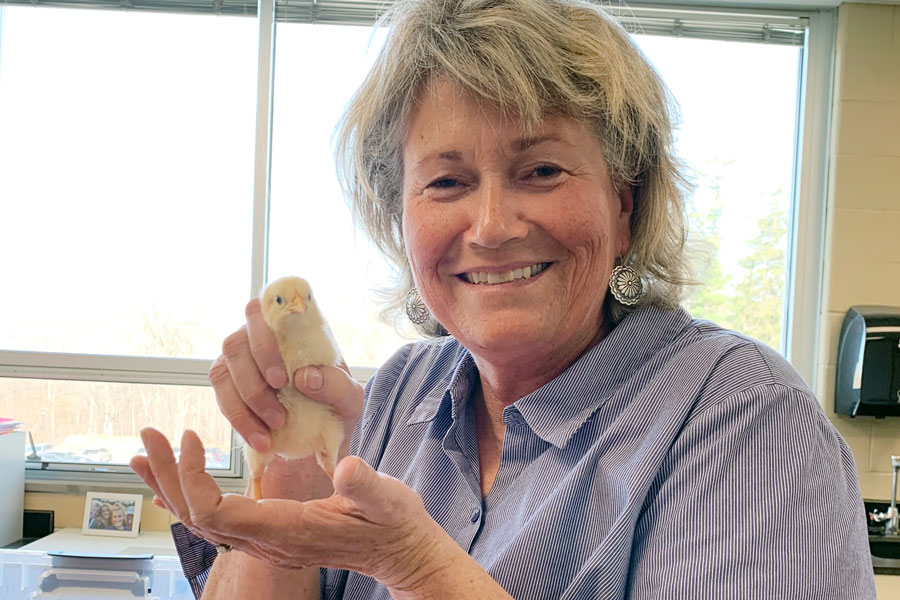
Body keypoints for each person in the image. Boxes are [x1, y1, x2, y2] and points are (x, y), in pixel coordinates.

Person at [130, 0, 876, 598]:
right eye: (447, 182)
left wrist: (419, 570)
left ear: (624, 203)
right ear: (402, 217)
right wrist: (289, 483)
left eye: (542, 170)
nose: (490, 228)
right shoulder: (395, 395)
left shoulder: (741, 419)